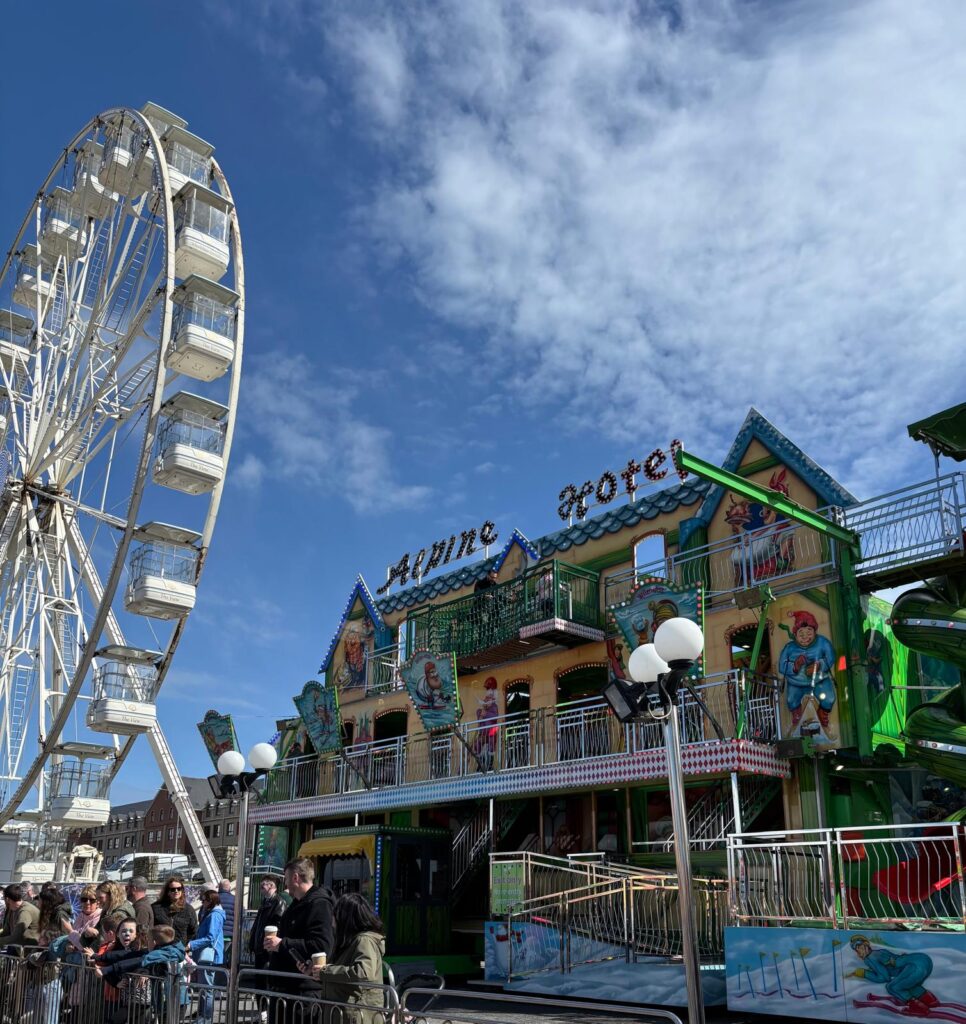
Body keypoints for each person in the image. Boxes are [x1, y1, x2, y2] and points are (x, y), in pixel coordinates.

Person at [301, 893, 386, 1024]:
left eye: (335, 915)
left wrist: (325, 971)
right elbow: (341, 977)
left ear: (345, 918)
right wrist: (315, 972)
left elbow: (363, 973)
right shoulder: (350, 940)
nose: (332, 920)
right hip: (342, 1013)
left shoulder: (365, 940)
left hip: (356, 1014)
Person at [263, 858, 333, 1005]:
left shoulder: (319, 904)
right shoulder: (296, 904)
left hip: (303, 993)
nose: (285, 884)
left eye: (286, 879)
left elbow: (321, 945)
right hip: (287, 990)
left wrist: (281, 944)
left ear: (295, 877)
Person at [187, 885, 226, 1024]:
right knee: (205, 988)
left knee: (207, 989)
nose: (202, 902)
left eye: (203, 900)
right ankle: (203, 1017)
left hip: (209, 955)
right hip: (207, 955)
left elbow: (210, 937)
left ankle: (206, 1018)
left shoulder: (215, 915)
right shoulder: (213, 913)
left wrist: (192, 944)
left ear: (210, 901)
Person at [249, 875, 285, 970]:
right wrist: (252, 943)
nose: (261, 886)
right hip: (260, 948)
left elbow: (278, 925)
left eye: (264, 884)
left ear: (271, 886)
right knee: (258, 975)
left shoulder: (279, 902)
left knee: (265, 974)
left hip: (268, 950)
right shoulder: (265, 902)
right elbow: (257, 924)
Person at [153, 874, 198, 945]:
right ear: (168, 892)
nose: (176, 891)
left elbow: (194, 931)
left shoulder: (188, 909)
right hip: (161, 948)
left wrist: (185, 946)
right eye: (173, 889)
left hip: (179, 948)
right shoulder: (156, 908)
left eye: (179, 889)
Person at [127, 876, 154, 941]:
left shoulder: (141, 908)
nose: (126, 891)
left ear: (134, 889)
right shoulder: (141, 905)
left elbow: (140, 933)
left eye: (127, 888)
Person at [218, 878, 235, 944]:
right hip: (229, 935)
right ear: (229, 888)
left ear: (219, 887)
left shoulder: (214, 899)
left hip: (216, 934)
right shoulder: (235, 899)